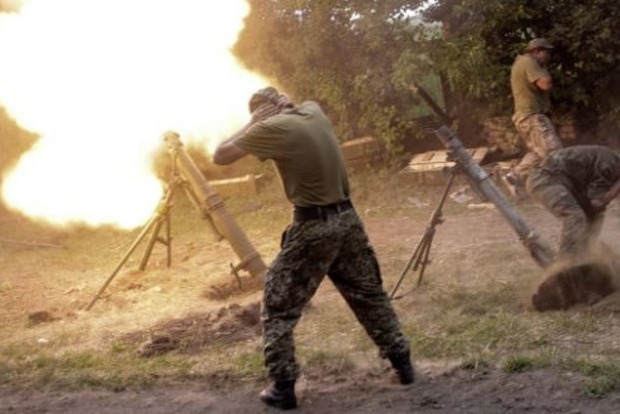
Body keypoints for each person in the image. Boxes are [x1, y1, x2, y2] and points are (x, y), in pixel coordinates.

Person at [213, 87, 414, 410]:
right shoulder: (313, 110)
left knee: (277, 306)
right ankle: (403, 365)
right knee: (368, 295)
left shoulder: (269, 127)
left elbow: (220, 155)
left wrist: (251, 124)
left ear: (262, 111)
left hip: (313, 228)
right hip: (348, 221)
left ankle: (283, 387)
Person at [526, 145, 620, 259]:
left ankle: (586, 259)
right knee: (576, 217)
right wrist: (616, 187)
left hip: (565, 183)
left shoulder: (612, 166)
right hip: (546, 179)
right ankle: (566, 265)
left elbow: (596, 206)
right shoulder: (609, 163)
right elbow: (597, 202)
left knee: (595, 218)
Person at [506, 37, 563, 199]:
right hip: (532, 116)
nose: (549, 56)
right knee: (555, 152)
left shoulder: (521, 62)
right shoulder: (529, 62)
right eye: (547, 52)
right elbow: (545, 84)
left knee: (538, 154)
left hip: (525, 117)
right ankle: (560, 189)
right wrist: (543, 68)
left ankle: (514, 177)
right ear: (537, 51)